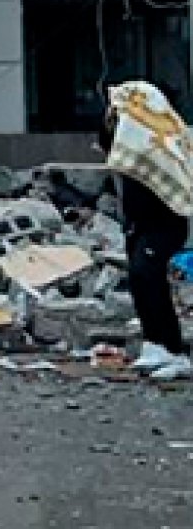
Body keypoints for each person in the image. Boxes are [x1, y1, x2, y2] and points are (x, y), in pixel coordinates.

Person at [100, 103, 193, 380]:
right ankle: (155, 344)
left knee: (148, 276)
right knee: (141, 281)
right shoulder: (126, 149)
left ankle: (175, 351)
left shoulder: (155, 149)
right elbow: (108, 147)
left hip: (164, 226)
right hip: (140, 225)